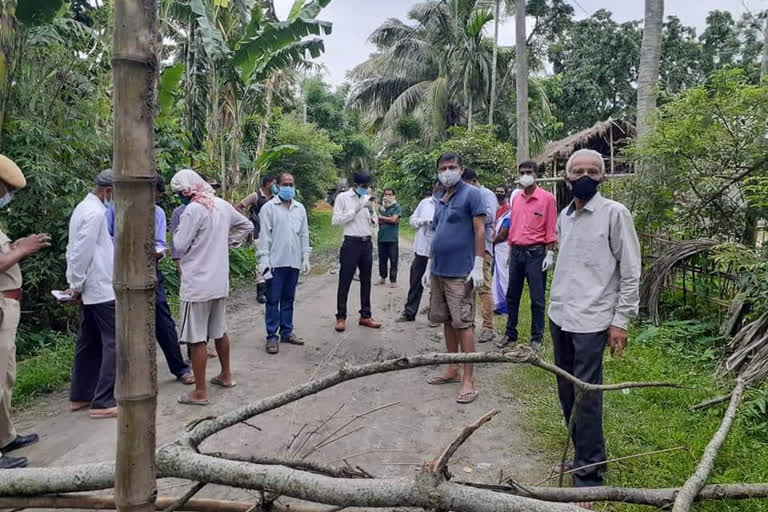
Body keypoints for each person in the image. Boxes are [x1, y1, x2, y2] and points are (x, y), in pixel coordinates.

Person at [549, 149, 641, 495]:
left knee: (586, 398)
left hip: (592, 321)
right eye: (578, 170)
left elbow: (631, 271)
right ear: (567, 177)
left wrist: (621, 321)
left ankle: (587, 479)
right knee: (566, 393)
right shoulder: (565, 217)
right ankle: (585, 456)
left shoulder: (615, 214)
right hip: (561, 316)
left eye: (593, 170)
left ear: (603, 177)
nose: (585, 175)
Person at [171, 169, 253, 406]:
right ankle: (226, 375)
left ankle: (200, 392)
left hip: (196, 284)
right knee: (219, 330)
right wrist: (227, 242)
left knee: (196, 338)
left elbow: (179, 244)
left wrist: (178, 231)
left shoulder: (193, 210)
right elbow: (246, 225)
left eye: (179, 193)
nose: (179, 198)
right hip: (219, 281)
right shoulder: (221, 205)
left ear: (188, 190)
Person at [105, 175, 193, 384]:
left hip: (149, 270)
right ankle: (123, 375)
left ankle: (179, 368)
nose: (156, 200)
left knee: (163, 320)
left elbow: (161, 242)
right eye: (156, 195)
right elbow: (107, 237)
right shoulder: (116, 208)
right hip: (120, 270)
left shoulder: (158, 213)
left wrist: (157, 252)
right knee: (121, 323)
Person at [0, 155, 50, 468]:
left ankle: (5, 437)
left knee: (5, 377)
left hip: (7, 305)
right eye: (5, 189)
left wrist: (14, 247)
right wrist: (22, 249)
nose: (6, 196)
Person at [424, 153, 485, 404]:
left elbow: (480, 229)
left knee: (464, 323)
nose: (447, 171)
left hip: (461, 271)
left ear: (461, 169)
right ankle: (452, 368)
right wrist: (429, 264)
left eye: (452, 167)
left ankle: (468, 379)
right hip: (439, 269)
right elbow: (435, 232)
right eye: (443, 168)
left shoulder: (472, 194)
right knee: (447, 321)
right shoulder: (440, 197)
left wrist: (479, 265)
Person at [65, 169, 119, 419]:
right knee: (113, 341)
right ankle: (103, 401)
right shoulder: (95, 213)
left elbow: (73, 249)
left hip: (92, 286)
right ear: (108, 191)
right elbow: (81, 252)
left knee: (88, 342)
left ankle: (81, 395)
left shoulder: (82, 209)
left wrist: (75, 283)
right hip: (100, 287)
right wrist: (76, 284)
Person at [497, 160, 557, 352]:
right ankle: (510, 332)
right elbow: (514, 225)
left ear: (536, 174)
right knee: (512, 295)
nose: (525, 175)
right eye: (522, 172)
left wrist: (550, 252)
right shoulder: (516, 198)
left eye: (528, 172)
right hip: (516, 252)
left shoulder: (547, 199)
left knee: (537, 299)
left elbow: (550, 226)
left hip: (536, 254)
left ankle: (536, 337)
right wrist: (509, 249)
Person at [258, 173, 311, 354]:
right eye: (285, 184)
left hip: (293, 261)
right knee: (273, 299)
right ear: (278, 186)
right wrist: (263, 260)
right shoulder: (269, 208)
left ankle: (287, 331)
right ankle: (272, 336)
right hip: (275, 262)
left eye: (291, 184)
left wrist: (306, 256)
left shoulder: (299, 208)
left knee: (289, 298)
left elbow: (304, 234)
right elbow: (264, 236)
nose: (289, 187)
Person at [332, 171, 383, 332]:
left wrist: (370, 212)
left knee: (366, 280)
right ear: (355, 186)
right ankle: (341, 316)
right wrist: (355, 209)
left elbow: (374, 221)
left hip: (366, 243)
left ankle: (365, 316)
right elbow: (336, 221)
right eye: (363, 186)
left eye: (368, 186)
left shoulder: (368, 199)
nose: (366, 189)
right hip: (350, 242)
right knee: (345, 280)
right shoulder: (343, 198)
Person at [461, 169, 498, 344]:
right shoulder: (466, 195)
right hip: (467, 247)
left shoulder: (486, 194)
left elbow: (489, 217)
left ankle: (488, 328)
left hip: (482, 247)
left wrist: (470, 214)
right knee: (467, 287)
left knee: (483, 287)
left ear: (473, 181)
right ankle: (468, 324)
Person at [396, 181, 440, 322]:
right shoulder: (424, 203)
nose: (439, 190)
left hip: (439, 253)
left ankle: (435, 314)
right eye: (437, 187)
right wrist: (422, 221)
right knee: (415, 281)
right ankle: (409, 312)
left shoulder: (448, 204)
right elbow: (412, 220)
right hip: (422, 250)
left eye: (442, 188)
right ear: (433, 188)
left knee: (437, 284)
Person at [238, 175, 277, 304]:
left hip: (272, 234)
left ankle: (268, 287)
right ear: (266, 184)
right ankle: (261, 290)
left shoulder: (275, 198)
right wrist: (245, 223)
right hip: (259, 233)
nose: (275, 186)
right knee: (262, 261)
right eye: (273, 183)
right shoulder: (255, 196)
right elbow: (239, 206)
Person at [491, 187, 522, 314]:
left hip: (505, 249)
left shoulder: (511, 216)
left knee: (505, 278)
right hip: (499, 250)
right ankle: (500, 305)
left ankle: (506, 306)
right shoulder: (508, 214)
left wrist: (491, 242)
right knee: (498, 277)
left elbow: (503, 235)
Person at [376, 188, 401, 288]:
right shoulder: (381, 207)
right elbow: (376, 220)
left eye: (390, 194)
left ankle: (393, 280)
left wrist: (382, 218)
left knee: (393, 260)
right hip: (381, 238)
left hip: (392, 239)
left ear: (394, 196)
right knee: (382, 260)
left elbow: (394, 219)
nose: (387, 196)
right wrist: (389, 219)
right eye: (386, 194)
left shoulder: (396, 206)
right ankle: (382, 278)